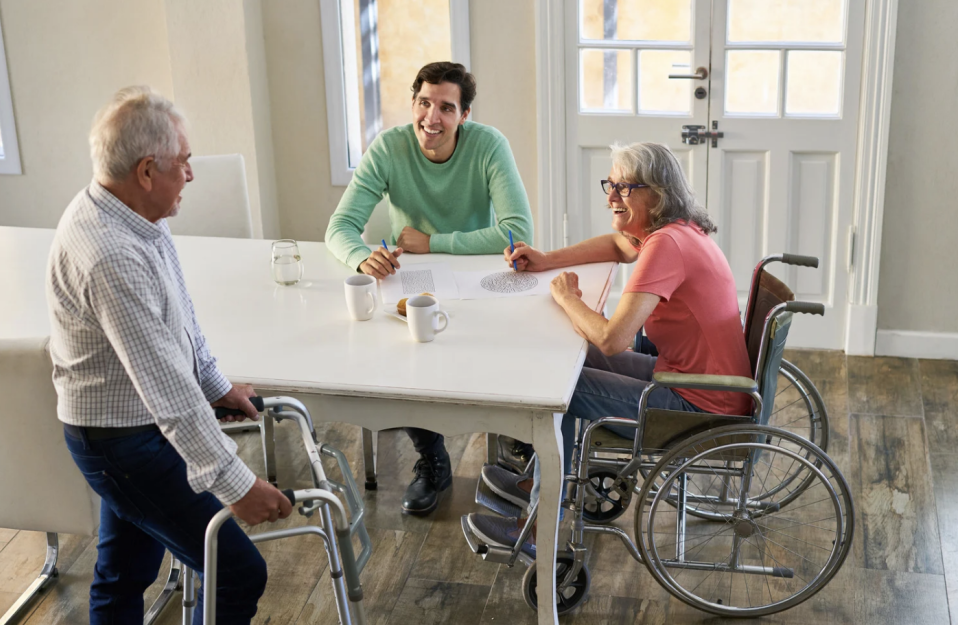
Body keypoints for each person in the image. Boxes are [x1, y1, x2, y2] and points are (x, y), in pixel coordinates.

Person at [48, 86, 290, 624]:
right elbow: (170, 393)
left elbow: (179, 321)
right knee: (236, 573)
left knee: (124, 574)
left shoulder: (138, 216)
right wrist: (237, 485)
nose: (192, 173)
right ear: (146, 171)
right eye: (184, 162)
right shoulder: (109, 254)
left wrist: (216, 384)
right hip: (119, 442)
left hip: (131, 424)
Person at [466, 141, 753, 552]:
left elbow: (613, 340)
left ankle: (538, 526)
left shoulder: (666, 246)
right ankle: (543, 480)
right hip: (701, 383)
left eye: (624, 188)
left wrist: (568, 298)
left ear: (657, 193)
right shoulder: (679, 230)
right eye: (610, 185)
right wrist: (547, 260)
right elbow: (618, 245)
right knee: (570, 360)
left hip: (699, 408)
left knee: (558, 388)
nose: (611, 197)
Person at [325, 61, 534, 516]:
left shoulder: (488, 145)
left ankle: (517, 453)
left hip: (479, 279)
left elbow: (518, 230)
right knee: (405, 356)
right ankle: (432, 458)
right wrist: (361, 256)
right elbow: (339, 226)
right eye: (424, 103)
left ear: (465, 115)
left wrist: (433, 241)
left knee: (506, 344)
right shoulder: (389, 148)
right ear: (413, 103)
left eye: (445, 107)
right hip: (417, 283)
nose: (431, 117)